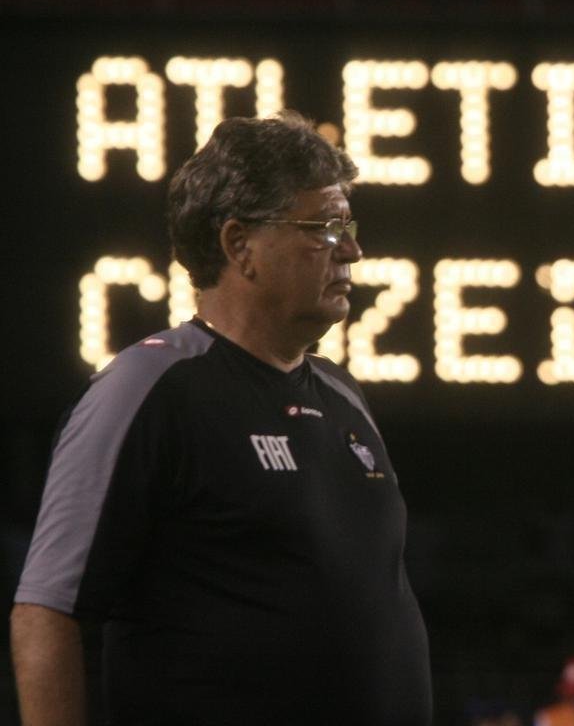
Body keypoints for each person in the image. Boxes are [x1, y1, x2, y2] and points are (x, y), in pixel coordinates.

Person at [9, 112, 431, 726]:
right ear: (239, 246)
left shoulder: (344, 395)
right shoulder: (148, 389)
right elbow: (49, 610)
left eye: (350, 225)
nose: (354, 250)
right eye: (325, 227)